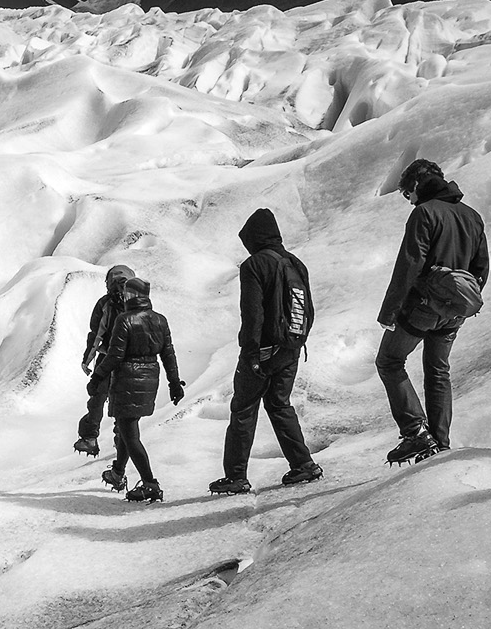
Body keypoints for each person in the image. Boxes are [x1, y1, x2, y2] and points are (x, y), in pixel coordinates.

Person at [377, 159, 489, 464]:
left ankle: (416, 433)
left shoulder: (424, 214)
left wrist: (389, 313)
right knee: (438, 370)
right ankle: (440, 443)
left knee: (389, 361)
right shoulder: (472, 216)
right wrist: (459, 301)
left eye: (406, 194)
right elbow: (481, 269)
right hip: (456, 310)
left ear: (416, 185)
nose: (408, 200)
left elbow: (409, 265)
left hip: (423, 307)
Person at [210, 209, 322, 494]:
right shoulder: (296, 262)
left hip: (263, 350)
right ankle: (304, 465)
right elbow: (308, 308)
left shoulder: (254, 265)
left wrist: (250, 353)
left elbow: (253, 313)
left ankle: (236, 476)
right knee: (280, 405)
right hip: (291, 348)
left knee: (243, 409)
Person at [88, 277, 183, 502]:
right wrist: (174, 383)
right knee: (126, 428)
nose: (124, 296)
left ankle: (150, 483)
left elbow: (115, 355)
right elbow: (168, 354)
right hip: (150, 379)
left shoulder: (125, 320)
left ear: (133, 295)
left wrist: (97, 376)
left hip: (127, 380)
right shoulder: (160, 320)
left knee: (130, 435)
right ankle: (117, 473)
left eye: (128, 293)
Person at [75, 264, 136, 458]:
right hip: (131, 360)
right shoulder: (139, 302)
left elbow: (96, 332)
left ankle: (90, 438)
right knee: (124, 402)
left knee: (97, 398)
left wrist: (87, 359)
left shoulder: (105, 303)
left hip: (107, 357)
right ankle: (123, 440)